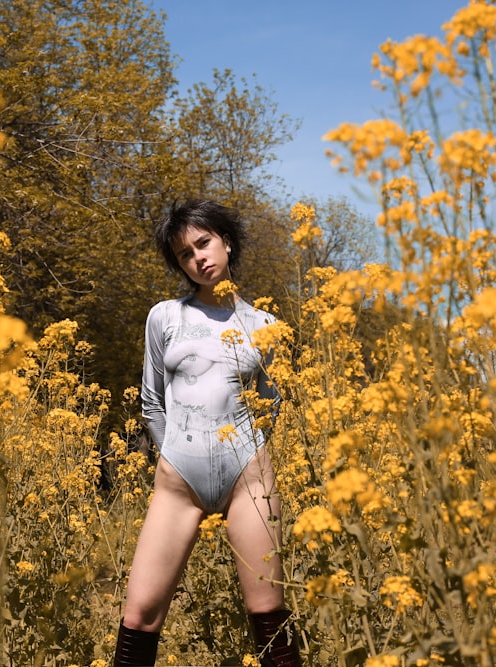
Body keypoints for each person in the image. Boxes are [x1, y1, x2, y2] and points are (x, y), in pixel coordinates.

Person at [113, 200, 302, 667]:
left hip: (250, 482)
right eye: (184, 254)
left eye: (204, 243)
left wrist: (245, 452)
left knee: (267, 612)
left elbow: (272, 403)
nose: (198, 257)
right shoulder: (165, 317)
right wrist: (176, 457)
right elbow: (152, 400)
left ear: (226, 242)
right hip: (179, 484)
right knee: (138, 615)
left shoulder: (266, 326)